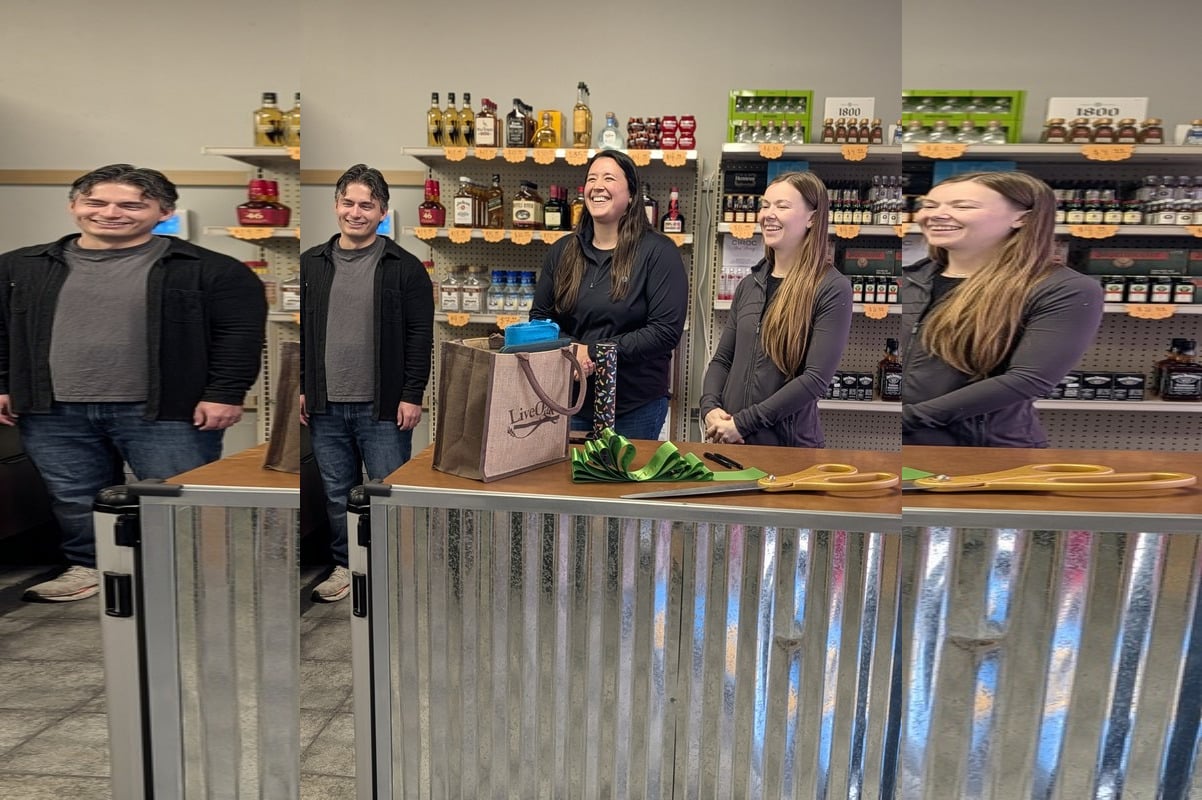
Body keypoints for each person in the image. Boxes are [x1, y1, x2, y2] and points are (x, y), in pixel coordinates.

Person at [0, 164, 267, 601]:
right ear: (73, 206)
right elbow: (1, 330)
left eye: (130, 205)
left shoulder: (211, 270)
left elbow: (239, 336)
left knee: (177, 493)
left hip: (168, 410)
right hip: (51, 409)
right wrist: (3, 384)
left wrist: (224, 393)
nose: (110, 213)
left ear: (164, 212)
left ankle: (190, 576)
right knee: (74, 497)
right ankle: (90, 567)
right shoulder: (20, 266)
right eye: (96, 202)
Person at [300, 164, 433, 602]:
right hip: (325, 405)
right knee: (337, 494)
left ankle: (392, 569)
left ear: (382, 212)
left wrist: (412, 395)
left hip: (384, 406)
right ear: (336, 205)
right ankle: (347, 566)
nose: (355, 213)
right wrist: (303, 386)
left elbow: (420, 338)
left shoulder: (405, 268)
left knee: (385, 490)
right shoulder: (311, 265)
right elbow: (304, 333)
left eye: (367, 205)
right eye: (348, 203)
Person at [901, 170, 1104, 447]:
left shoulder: (1063, 288)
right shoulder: (910, 279)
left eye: (963, 206)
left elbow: (1027, 380)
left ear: (1023, 218)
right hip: (906, 443)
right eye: (929, 205)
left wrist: (909, 419)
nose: (936, 215)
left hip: (982, 450)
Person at [530, 150, 688, 440]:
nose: (597, 186)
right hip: (569, 401)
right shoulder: (562, 251)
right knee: (568, 471)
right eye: (592, 179)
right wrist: (570, 348)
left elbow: (664, 332)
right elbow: (540, 319)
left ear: (631, 195)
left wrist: (593, 351)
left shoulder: (658, 252)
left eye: (609, 178)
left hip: (634, 406)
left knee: (625, 471)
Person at [700, 171, 851, 447]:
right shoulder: (749, 284)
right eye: (765, 205)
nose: (768, 214)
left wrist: (743, 424)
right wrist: (709, 408)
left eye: (782, 206)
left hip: (788, 448)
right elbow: (722, 360)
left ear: (812, 218)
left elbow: (814, 380)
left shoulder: (831, 287)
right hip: (732, 441)